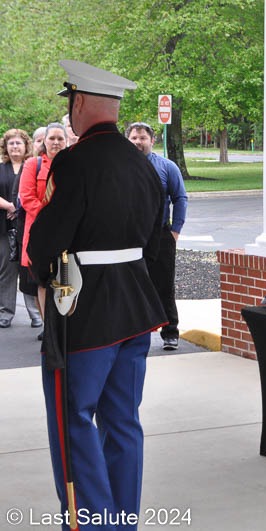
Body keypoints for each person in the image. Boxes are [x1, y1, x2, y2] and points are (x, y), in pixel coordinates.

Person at [28, 59, 165, 530]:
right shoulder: (143, 163)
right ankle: (122, 521)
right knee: (122, 421)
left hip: (85, 313)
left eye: (71, 101)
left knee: (73, 419)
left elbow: (44, 242)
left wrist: (42, 278)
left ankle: (91, 522)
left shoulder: (73, 162)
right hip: (137, 307)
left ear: (81, 101)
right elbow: (156, 240)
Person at [125, 121, 188, 350]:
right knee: (130, 285)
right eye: (134, 138)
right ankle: (132, 333)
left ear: (152, 140)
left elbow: (180, 198)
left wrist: (175, 230)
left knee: (164, 285)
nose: (138, 142)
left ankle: (170, 332)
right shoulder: (121, 167)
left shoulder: (167, 167)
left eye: (142, 138)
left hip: (161, 236)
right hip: (129, 237)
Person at [19, 123, 67, 321]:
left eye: (60, 138)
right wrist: (51, 217)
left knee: (67, 279)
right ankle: (49, 328)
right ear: (44, 141)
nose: (56, 142)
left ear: (66, 141)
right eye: (52, 138)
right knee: (43, 282)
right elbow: (26, 197)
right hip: (39, 233)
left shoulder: (73, 164)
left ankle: (65, 327)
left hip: (67, 231)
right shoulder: (33, 164)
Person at [0, 129, 33, 328]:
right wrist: (9, 206)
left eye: (18, 143)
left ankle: (35, 315)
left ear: (25, 145)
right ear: (6, 147)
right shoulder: (0, 168)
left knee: (30, 270)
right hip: (4, 227)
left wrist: (20, 209)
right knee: (6, 271)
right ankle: (6, 313)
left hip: (27, 226)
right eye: (11, 143)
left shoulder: (32, 166)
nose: (14, 146)